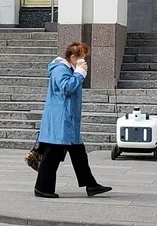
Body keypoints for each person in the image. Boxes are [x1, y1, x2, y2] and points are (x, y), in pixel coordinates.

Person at [35, 42, 112, 199]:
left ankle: (91, 185)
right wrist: (79, 74)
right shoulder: (60, 69)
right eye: (81, 58)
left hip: (66, 121)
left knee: (78, 153)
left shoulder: (67, 69)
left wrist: (77, 73)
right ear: (72, 57)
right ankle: (43, 188)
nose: (84, 61)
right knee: (53, 155)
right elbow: (66, 88)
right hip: (60, 121)